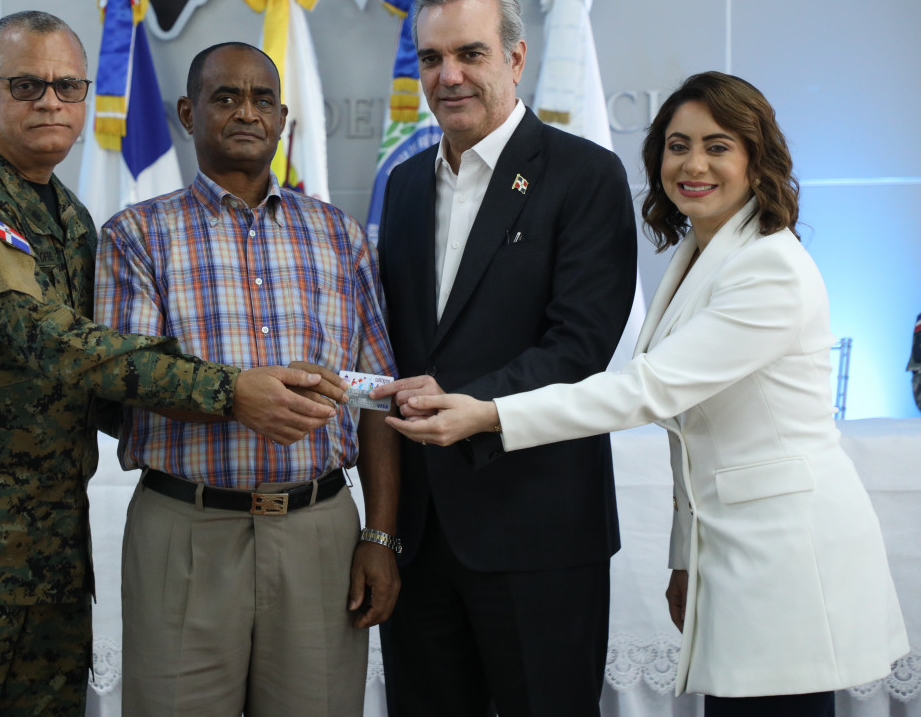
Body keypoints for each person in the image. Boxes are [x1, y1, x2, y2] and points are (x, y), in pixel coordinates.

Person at [0, 12, 342, 717]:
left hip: (46, 562)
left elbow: (104, 386)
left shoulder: (69, 218)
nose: (51, 102)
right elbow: (59, 344)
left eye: (68, 86)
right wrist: (229, 390)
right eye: (27, 85)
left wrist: (236, 432)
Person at [386, 72, 909, 716]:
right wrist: (684, 557)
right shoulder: (701, 253)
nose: (693, 165)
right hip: (732, 549)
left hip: (787, 552)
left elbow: (649, 390)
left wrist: (490, 413)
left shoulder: (769, 266)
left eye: (718, 147)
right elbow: (693, 436)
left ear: (758, 159)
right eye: (677, 145)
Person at [95, 42, 400, 716]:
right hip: (186, 532)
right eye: (225, 97)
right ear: (188, 113)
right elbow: (128, 378)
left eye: (263, 99)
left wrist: (379, 537)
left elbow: (377, 396)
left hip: (319, 533)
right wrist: (238, 395)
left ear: (283, 119)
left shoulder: (341, 237)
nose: (246, 112)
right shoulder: (136, 235)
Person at [374, 0, 639, 716]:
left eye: (470, 53)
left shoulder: (585, 175)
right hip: (421, 535)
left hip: (539, 530)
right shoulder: (403, 185)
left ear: (516, 59)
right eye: (432, 58)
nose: (448, 76)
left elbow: (581, 344)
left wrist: (474, 405)